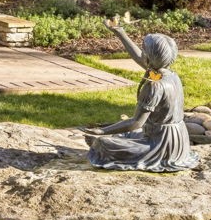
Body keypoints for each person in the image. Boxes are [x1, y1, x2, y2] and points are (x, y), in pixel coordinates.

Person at [85, 27, 198, 172]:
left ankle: (111, 148)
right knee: (122, 134)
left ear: (149, 58)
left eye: (143, 50)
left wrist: (101, 131)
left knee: (103, 143)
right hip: (178, 139)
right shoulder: (172, 76)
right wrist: (121, 33)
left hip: (160, 146)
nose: (141, 53)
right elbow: (140, 59)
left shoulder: (154, 85)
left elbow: (136, 122)